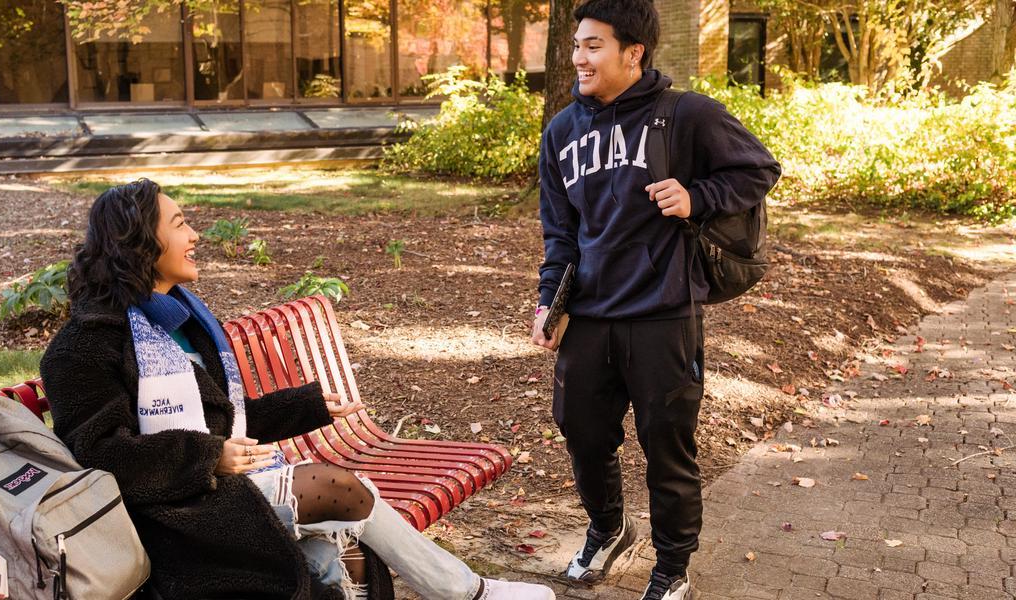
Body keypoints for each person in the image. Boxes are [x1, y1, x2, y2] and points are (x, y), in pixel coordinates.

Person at [41, 178, 557, 600]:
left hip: (218, 490)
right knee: (341, 491)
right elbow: (99, 454)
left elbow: (226, 419)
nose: (195, 235)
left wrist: (306, 406)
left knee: (335, 560)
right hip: (175, 513)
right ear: (140, 243)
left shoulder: (183, 322)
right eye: (179, 224)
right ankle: (468, 594)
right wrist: (208, 457)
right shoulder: (85, 344)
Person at [529, 1, 781, 599]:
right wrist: (549, 303)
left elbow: (759, 169)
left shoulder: (685, 114)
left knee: (667, 444)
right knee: (582, 432)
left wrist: (698, 196)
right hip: (589, 313)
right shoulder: (562, 131)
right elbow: (560, 233)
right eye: (575, 46)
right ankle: (609, 527)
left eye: (593, 46)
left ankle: (672, 569)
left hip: (663, 313)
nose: (578, 58)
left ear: (633, 52)